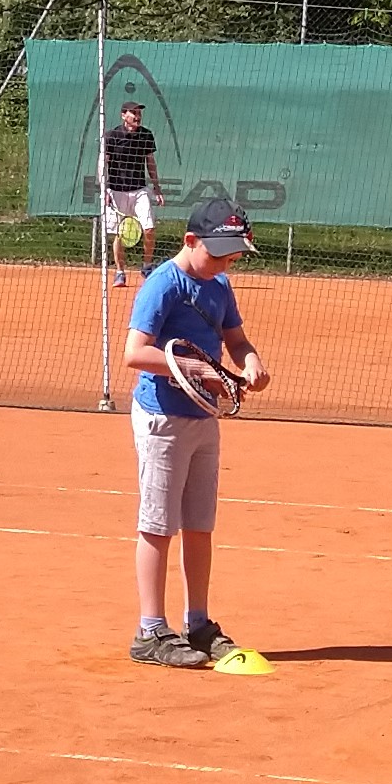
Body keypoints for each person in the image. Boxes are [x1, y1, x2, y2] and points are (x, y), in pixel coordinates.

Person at [120, 202, 270, 669]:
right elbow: (134, 353)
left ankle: (198, 623)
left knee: (199, 524)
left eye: (233, 257)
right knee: (158, 525)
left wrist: (250, 362)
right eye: (219, 254)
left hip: (204, 417)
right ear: (191, 241)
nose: (225, 264)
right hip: (162, 419)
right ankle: (150, 630)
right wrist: (195, 369)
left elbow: (236, 340)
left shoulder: (219, 285)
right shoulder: (162, 284)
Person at [101, 99, 161, 282]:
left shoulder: (146, 135)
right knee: (119, 233)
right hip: (116, 191)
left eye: (139, 113)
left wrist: (157, 187)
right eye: (133, 113)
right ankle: (120, 273)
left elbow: (150, 162)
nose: (137, 116)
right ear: (123, 115)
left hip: (140, 190)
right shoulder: (112, 136)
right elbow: (103, 164)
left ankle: (147, 266)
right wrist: (105, 189)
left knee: (149, 228)